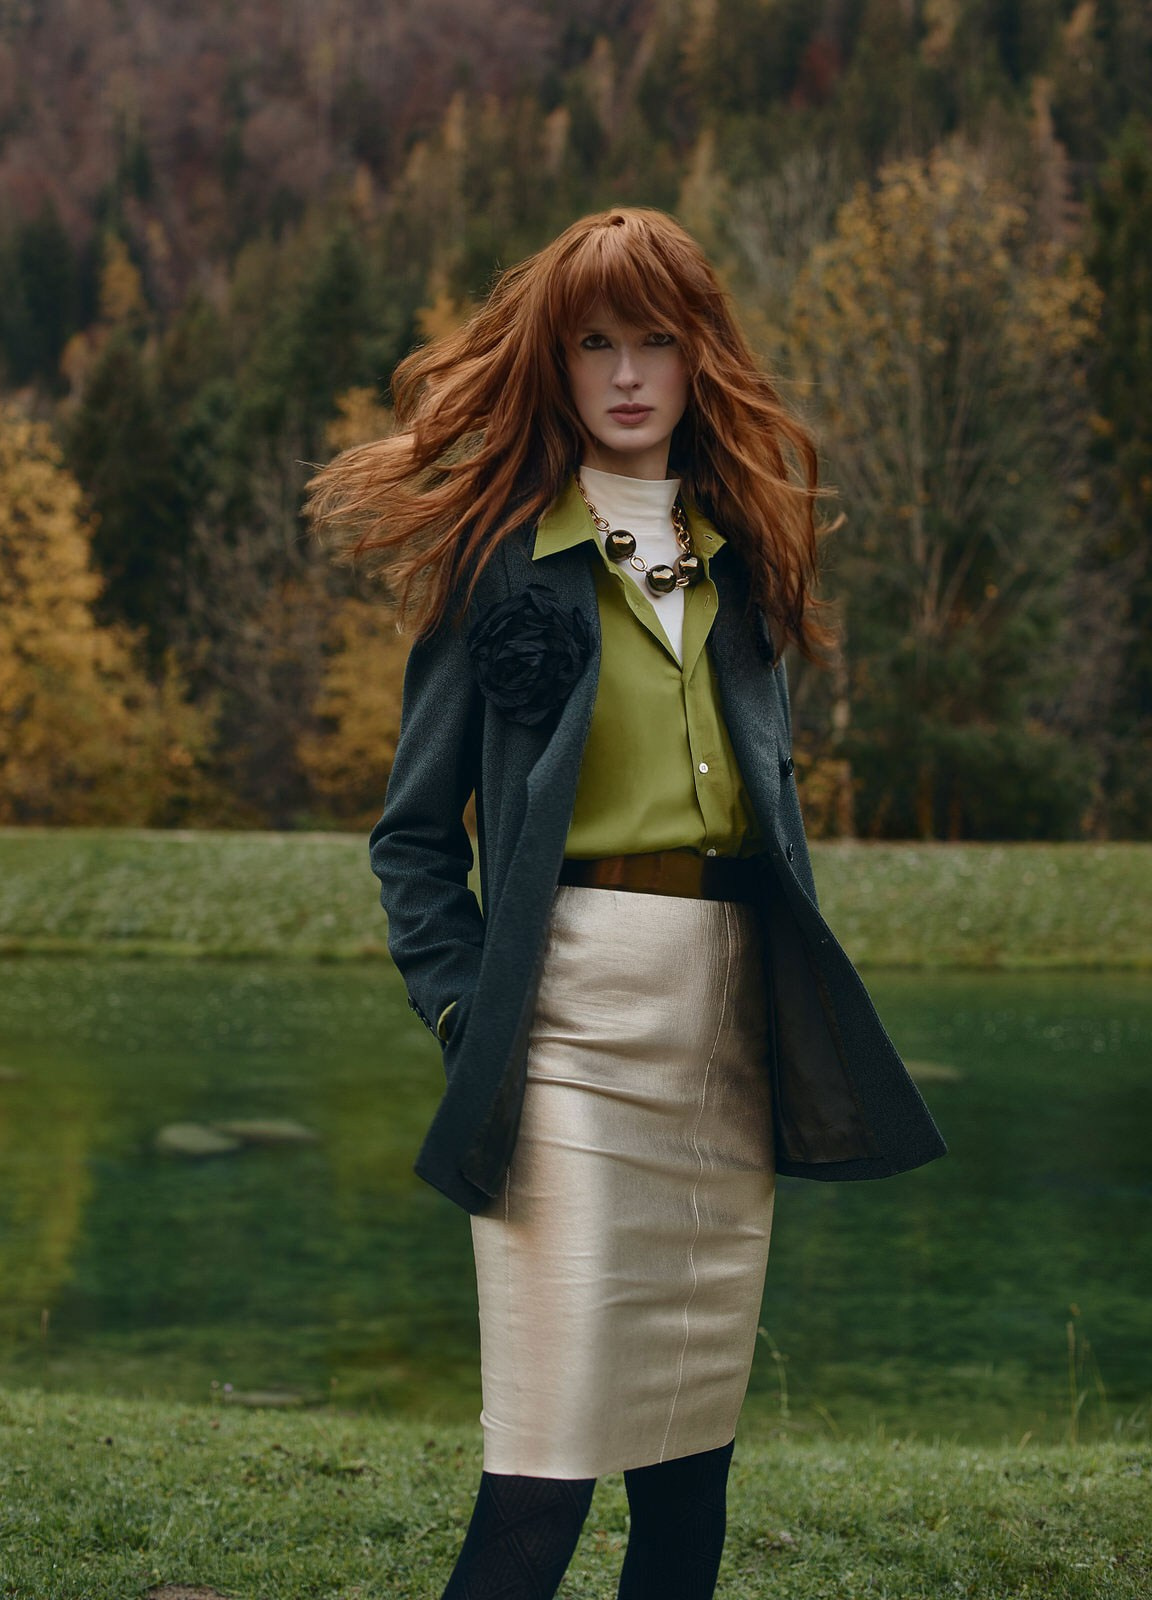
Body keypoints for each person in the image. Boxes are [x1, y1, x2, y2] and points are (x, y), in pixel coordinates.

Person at [305, 206, 946, 1600]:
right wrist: (467, 1011)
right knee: (538, 1486)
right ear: (557, 362)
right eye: (596, 343)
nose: (629, 372)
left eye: (655, 338)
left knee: (686, 1479)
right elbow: (412, 841)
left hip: (727, 1044)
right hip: (565, 1046)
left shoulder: (745, 555)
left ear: (698, 354)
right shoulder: (498, 563)